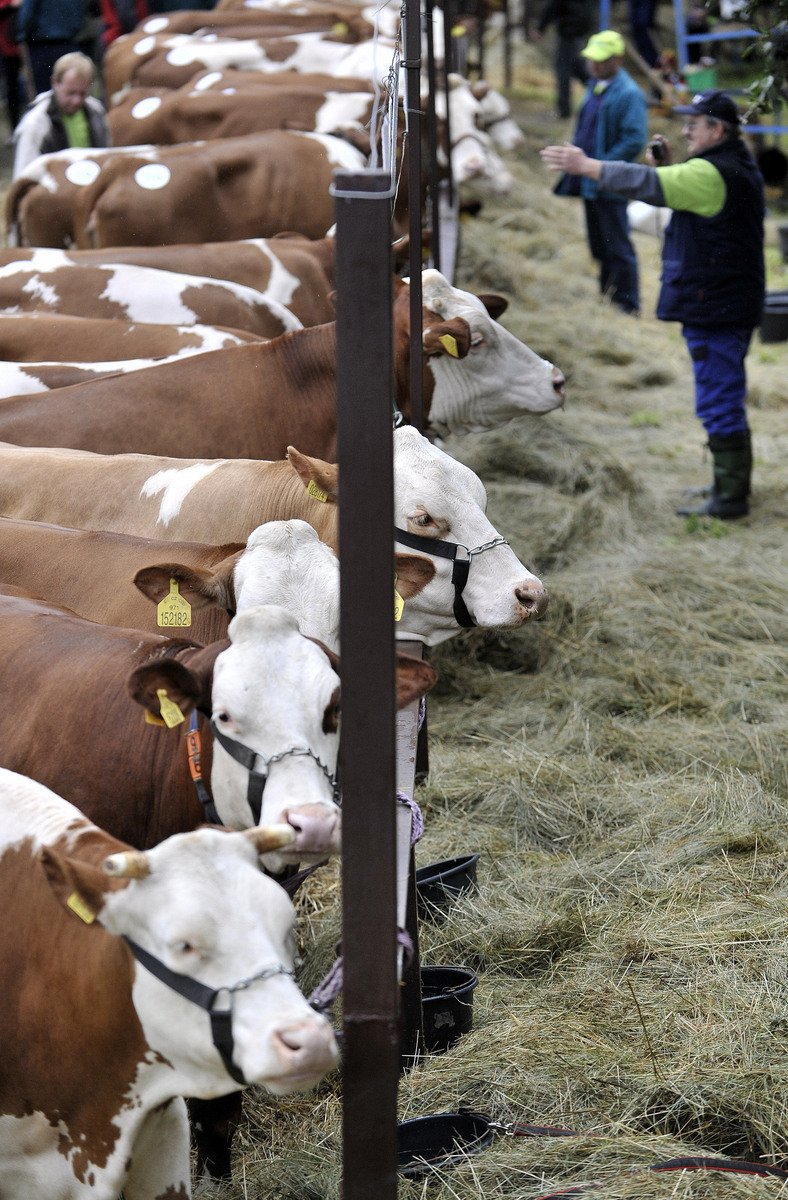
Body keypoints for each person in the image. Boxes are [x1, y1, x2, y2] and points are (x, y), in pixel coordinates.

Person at [541, 90, 765, 520]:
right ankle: (727, 483)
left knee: (718, 397)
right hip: (724, 301)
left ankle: (731, 497)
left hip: (718, 306)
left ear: (717, 130)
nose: (685, 130)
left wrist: (586, 165)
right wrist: (666, 167)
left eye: (693, 124)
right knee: (721, 393)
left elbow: (648, 186)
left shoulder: (711, 172)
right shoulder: (730, 165)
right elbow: (676, 188)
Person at [552, 29, 647, 315]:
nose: (594, 64)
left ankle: (628, 304)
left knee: (617, 245)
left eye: (601, 60)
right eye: (592, 59)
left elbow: (634, 138)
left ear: (617, 59)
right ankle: (608, 296)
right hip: (590, 181)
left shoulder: (629, 94)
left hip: (610, 181)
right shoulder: (595, 85)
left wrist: (601, 166)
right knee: (600, 244)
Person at [12, 50, 109, 176]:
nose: (76, 101)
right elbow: (23, 176)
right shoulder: (35, 124)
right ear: (55, 83)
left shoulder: (96, 111)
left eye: (83, 93)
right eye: (71, 93)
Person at [529, 0, 596, 120]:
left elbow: (553, 7)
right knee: (576, 68)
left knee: (564, 71)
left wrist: (540, 28)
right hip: (577, 31)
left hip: (569, 32)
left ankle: (564, 110)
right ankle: (598, 89)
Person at [15, 0, 89, 97]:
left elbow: (27, 15)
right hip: (68, 42)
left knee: (44, 95)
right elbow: (80, 13)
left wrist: (22, 33)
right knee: (70, 92)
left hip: (41, 44)